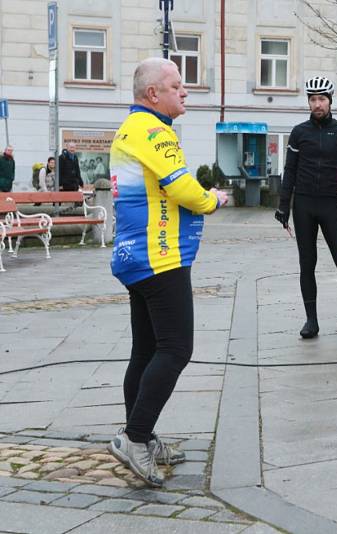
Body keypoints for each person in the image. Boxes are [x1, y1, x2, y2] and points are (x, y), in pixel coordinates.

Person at [107, 57, 228, 487]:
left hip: (136, 256)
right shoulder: (154, 130)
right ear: (152, 94)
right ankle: (134, 437)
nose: (185, 91)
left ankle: (142, 433)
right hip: (159, 257)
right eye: (177, 85)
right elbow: (181, 186)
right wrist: (212, 200)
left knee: (147, 349)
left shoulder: (133, 127)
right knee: (176, 348)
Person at [276, 76, 337, 340]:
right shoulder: (299, 132)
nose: (317, 104)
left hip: (330, 204)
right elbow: (289, 170)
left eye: (322, 99)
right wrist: (283, 205)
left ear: (330, 101)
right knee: (307, 263)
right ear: (309, 102)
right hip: (303, 204)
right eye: (313, 100)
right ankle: (311, 321)